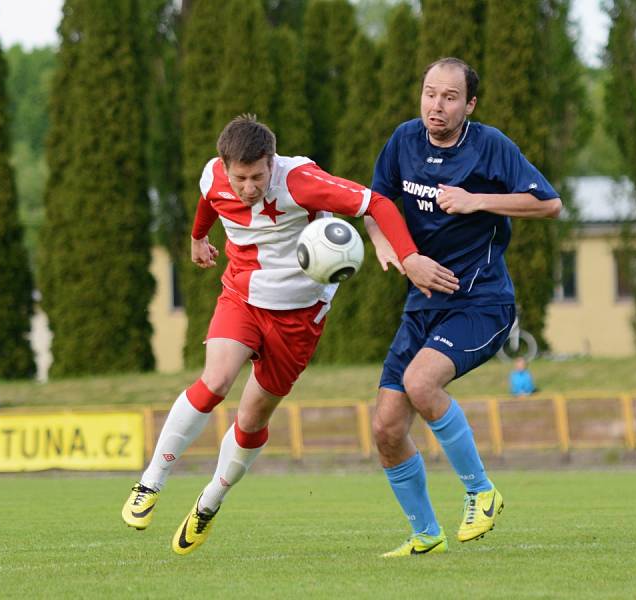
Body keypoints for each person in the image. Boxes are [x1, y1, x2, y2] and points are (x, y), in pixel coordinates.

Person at [121, 114, 454, 555]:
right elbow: (209, 200)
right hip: (241, 296)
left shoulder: (301, 180)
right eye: (240, 178)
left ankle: (209, 502)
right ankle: (151, 481)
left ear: (271, 162)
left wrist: (406, 255)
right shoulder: (213, 176)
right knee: (215, 381)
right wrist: (198, 238)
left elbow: (378, 203)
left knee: (252, 420)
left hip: (299, 318)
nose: (249, 188)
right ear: (225, 166)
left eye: (258, 176)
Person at [365, 57, 562, 556]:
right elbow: (376, 206)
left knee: (420, 383)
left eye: (450, 97)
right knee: (386, 427)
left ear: (469, 104)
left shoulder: (490, 146)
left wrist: (478, 200)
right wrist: (400, 256)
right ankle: (426, 533)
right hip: (422, 301)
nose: (437, 105)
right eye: (430, 93)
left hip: (482, 300)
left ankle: (482, 493)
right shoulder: (403, 140)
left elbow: (548, 203)